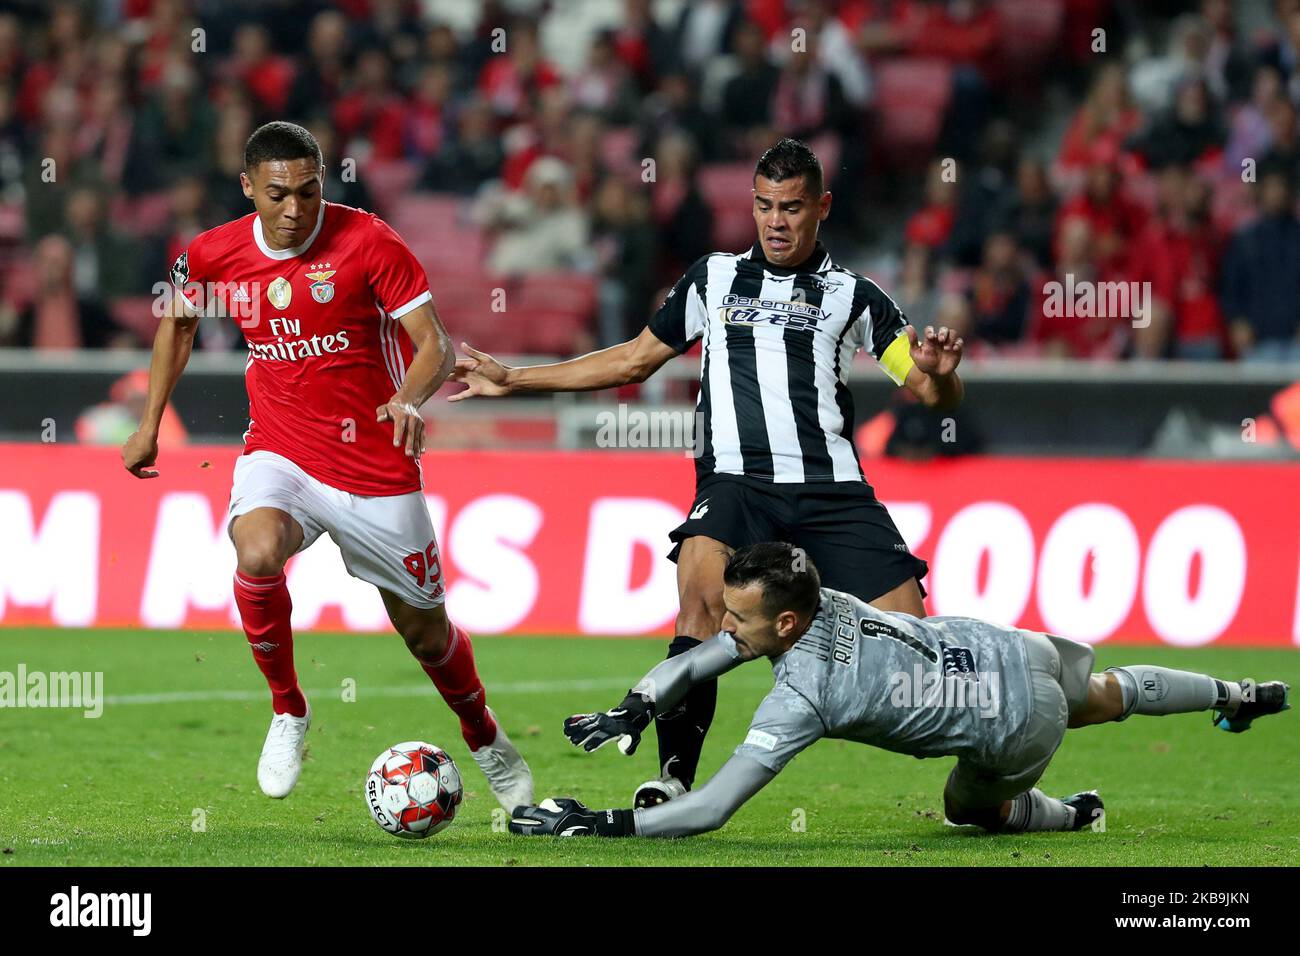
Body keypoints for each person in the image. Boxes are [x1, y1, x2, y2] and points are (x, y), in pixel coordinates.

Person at [451, 138, 964, 808]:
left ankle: (992, 783)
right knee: (700, 599)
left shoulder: (856, 297)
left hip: (832, 491)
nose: (776, 221)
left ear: (823, 208)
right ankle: (672, 778)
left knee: (916, 649)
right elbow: (634, 361)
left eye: (792, 207)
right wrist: (513, 379)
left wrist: (944, 379)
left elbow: (926, 391)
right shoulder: (712, 279)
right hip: (734, 486)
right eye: (763, 206)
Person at [119, 121, 532, 811]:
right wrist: (148, 423)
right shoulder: (212, 252)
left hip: (375, 466)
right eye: (278, 194)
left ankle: (484, 735)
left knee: (425, 632)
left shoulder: (370, 241)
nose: (294, 210)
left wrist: (405, 398)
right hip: (280, 449)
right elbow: (180, 323)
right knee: (255, 550)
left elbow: (432, 344)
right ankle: (289, 710)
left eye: (308, 192)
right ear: (248, 186)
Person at [510, 543, 1291, 839]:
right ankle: (1235, 692)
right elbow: (701, 660)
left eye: (741, 621)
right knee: (1113, 691)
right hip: (1008, 646)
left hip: (1015, 722)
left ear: (784, 623)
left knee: (966, 810)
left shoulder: (802, 696)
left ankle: (1075, 813)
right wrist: (638, 702)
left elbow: (712, 810)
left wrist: (601, 823)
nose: (727, 631)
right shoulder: (824, 594)